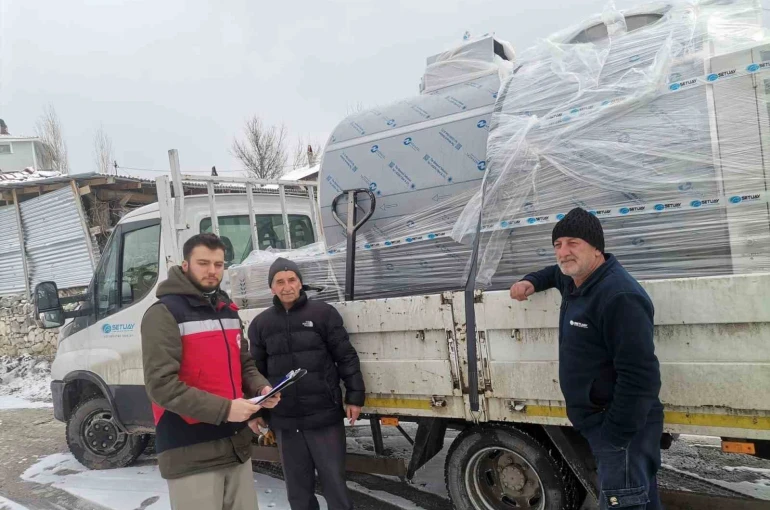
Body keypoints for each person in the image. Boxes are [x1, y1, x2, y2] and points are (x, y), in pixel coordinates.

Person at [509, 208, 663, 510]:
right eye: (557, 245)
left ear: (596, 247)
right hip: (604, 423)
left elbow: (641, 376)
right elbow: (554, 272)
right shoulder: (578, 278)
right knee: (639, 500)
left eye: (572, 243)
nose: (563, 252)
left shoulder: (619, 296)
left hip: (621, 429)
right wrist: (531, 281)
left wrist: (614, 437)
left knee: (625, 503)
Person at [142, 233, 281, 510]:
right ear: (185, 265)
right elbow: (161, 386)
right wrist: (226, 410)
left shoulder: (227, 310)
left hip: (235, 445)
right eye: (203, 263)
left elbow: (244, 364)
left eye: (218, 264)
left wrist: (261, 389)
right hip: (190, 451)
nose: (212, 271)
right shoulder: (164, 313)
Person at [249, 257, 365, 510]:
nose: (286, 286)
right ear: (272, 288)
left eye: (292, 280)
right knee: (298, 490)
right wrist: (257, 411)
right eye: (279, 282)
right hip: (285, 419)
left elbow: (345, 356)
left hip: (323, 415)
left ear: (301, 283)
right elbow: (255, 371)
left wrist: (355, 396)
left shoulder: (323, 314)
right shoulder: (261, 324)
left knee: (335, 484)